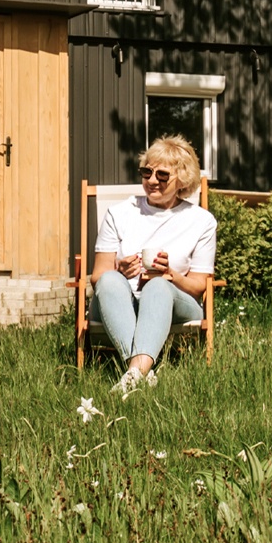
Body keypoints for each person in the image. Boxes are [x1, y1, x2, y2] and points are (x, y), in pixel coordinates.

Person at [89, 134, 217, 396]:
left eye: (162, 175)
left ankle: (133, 372)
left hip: (175, 302)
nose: (151, 181)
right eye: (146, 172)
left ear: (181, 179)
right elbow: (97, 276)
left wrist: (170, 275)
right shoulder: (120, 212)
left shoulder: (201, 221)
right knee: (109, 280)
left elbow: (199, 287)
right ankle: (139, 372)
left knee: (157, 286)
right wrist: (119, 271)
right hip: (121, 304)